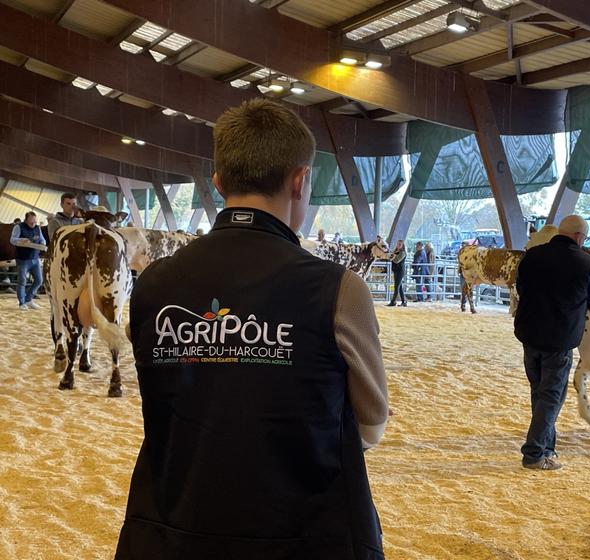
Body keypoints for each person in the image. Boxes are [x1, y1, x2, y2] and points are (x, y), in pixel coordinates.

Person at [116, 99, 389, 560]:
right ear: (300, 180)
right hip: (303, 532)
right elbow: (372, 425)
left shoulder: (153, 285)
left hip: (172, 528)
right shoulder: (339, 288)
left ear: (219, 182)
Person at [514, 214, 590, 471]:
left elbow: (520, 287)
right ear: (578, 236)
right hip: (559, 339)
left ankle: (547, 447)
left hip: (529, 334)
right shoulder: (585, 262)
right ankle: (534, 453)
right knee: (551, 396)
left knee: (539, 392)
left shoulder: (532, 255)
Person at [10, 211, 46, 310]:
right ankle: (22, 303)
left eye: (35, 222)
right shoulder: (18, 227)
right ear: (26, 220)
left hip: (35, 258)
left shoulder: (37, 228)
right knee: (22, 281)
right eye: (31, 222)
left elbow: (42, 239)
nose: (33, 224)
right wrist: (21, 240)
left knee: (39, 280)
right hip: (23, 259)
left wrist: (43, 243)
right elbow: (12, 240)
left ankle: (29, 299)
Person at [387, 239, 407, 307]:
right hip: (396, 270)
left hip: (400, 271)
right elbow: (390, 257)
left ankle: (393, 301)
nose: (398, 245)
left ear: (402, 245)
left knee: (396, 286)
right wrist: (392, 256)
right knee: (399, 287)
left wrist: (392, 256)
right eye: (398, 244)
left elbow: (396, 260)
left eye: (400, 244)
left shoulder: (403, 252)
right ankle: (404, 301)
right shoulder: (395, 251)